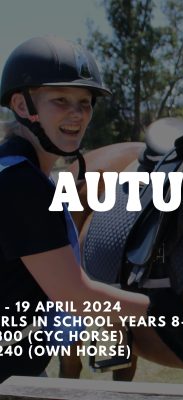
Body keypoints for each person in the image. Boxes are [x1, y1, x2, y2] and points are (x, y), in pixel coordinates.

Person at [0, 36, 150, 382]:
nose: (78, 113)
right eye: (61, 100)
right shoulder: (22, 186)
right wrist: (164, 311)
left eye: (85, 102)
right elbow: (76, 297)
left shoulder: (12, 170)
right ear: (21, 105)